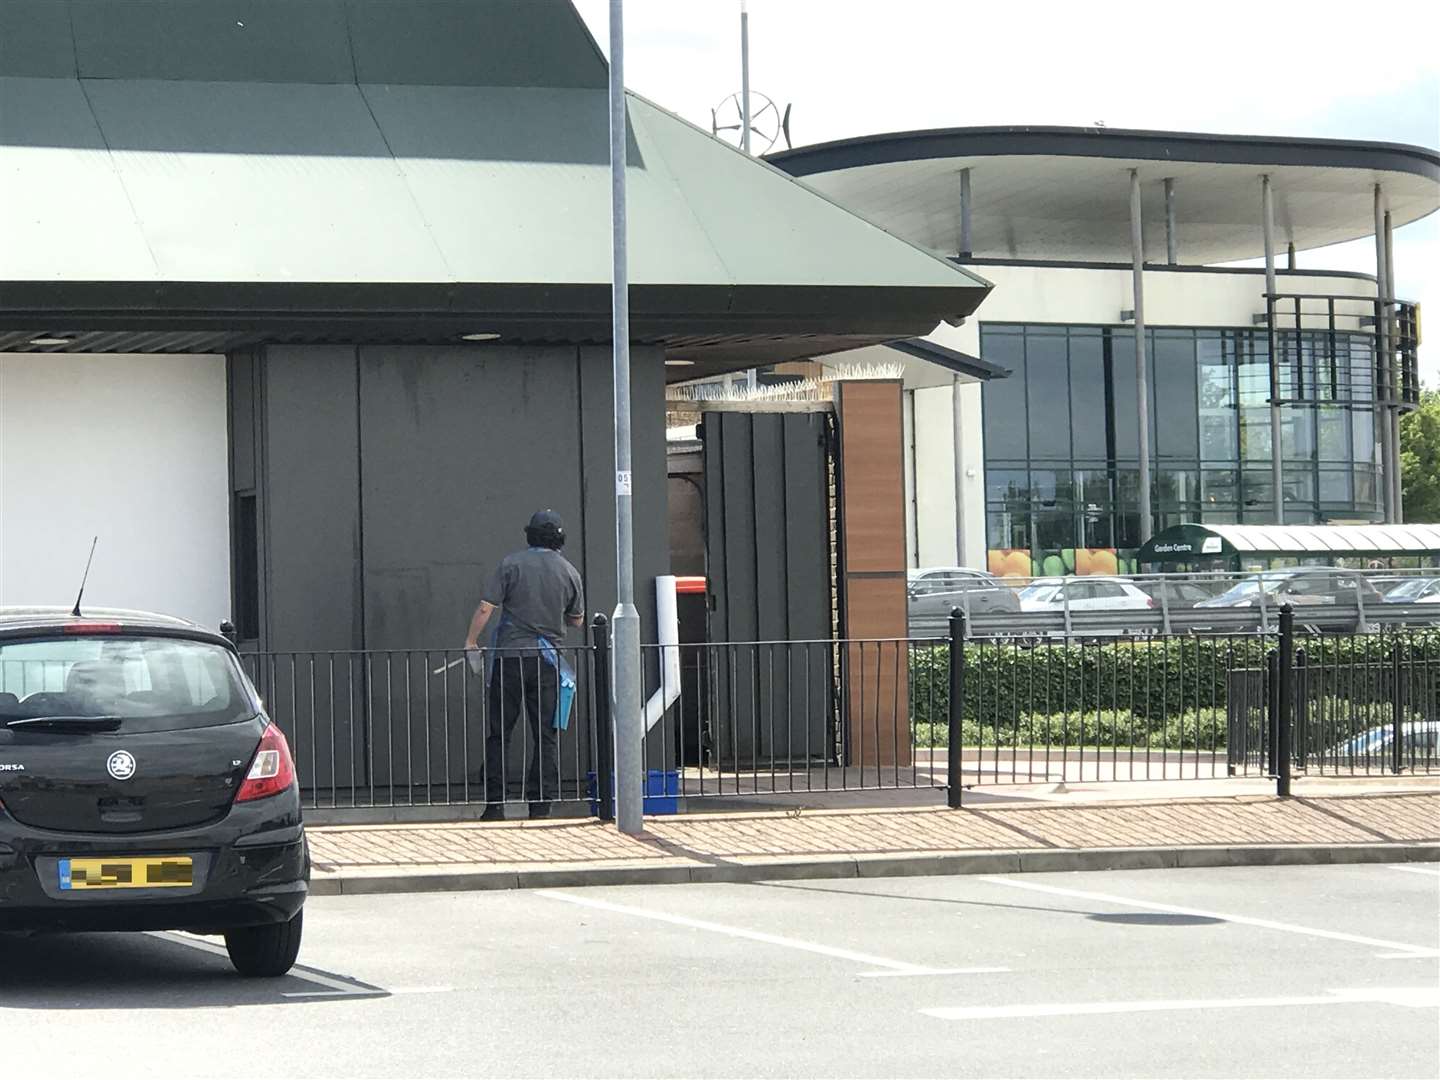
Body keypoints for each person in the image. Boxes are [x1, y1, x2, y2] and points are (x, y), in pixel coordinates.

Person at [464, 510, 584, 820]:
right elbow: (577, 619)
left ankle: (494, 805)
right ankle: (540, 806)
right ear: (559, 538)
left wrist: (471, 642)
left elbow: (485, 608)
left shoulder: (510, 565)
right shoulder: (570, 572)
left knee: (499, 733)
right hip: (548, 663)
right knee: (545, 734)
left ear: (529, 535)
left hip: (509, 659)